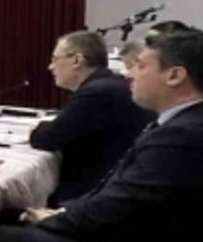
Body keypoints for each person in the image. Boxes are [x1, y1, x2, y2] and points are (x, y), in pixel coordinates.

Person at [0, 29, 203, 242]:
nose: (128, 74)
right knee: (10, 215)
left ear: (174, 75)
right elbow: (125, 200)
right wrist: (63, 213)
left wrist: (52, 219)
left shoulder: (185, 138)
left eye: (140, 66)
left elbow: (115, 213)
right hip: (170, 239)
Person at [29, 31, 152, 204]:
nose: (50, 67)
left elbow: (45, 139)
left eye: (55, 59)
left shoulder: (97, 93)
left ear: (77, 60)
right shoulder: (110, 84)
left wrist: (39, 128)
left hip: (92, 197)